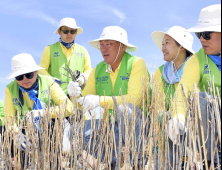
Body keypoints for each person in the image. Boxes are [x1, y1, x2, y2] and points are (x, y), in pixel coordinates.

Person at [67, 26, 149, 168]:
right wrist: (74, 95)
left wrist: (99, 100)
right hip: (110, 127)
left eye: (109, 44)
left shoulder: (136, 63)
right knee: (75, 130)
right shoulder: (98, 69)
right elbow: (83, 103)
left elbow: (135, 100)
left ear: (122, 46)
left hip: (137, 127)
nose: (103, 49)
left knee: (125, 110)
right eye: (101, 45)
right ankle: (112, 161)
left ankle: (138, 162)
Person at [171, 4, 221, 169]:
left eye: (206, 34)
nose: (201, 39)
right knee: (202, 98)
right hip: (214, 120)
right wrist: (178, 116)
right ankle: (212, 161)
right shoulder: (196, 60)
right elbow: (183, 91)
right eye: (199, 34)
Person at [4, 53, 74, 152]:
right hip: (24, 129)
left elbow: (69, 108)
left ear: (36, 72)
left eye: (29, 74)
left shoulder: (49, 82)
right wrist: (16, 134)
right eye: (19, 77)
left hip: (50, 126)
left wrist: (42, 113)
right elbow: (9, 117)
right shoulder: (9, 89)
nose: (25, 79)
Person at [152, 26, 195, 169]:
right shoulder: (160, 72)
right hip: (167, 126)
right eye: (162, 44)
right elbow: (157, 104)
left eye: (167, 43)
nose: (163, 47)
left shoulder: (195, 67)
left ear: (182, 47)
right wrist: (163, 117)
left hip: (191, 126)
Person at [39, 18, 92, 95]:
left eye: (72, 31)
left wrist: (83, 78)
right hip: (56, 95)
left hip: (77, 95)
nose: (69, 34)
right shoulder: (49, 49)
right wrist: (51, 80)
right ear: (60, 31)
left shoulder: (83, 50)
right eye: (66, 31)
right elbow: (41, 70)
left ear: (76, 32)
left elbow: (88, 69)